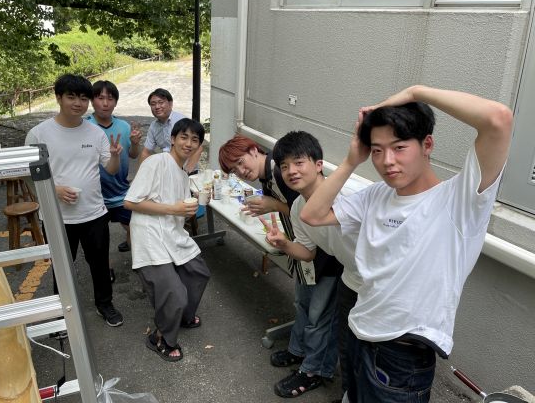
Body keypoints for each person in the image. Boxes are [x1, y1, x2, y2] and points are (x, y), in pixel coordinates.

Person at [299, 85, 513, 402]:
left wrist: (416, 92)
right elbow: (312, 215)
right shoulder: (376, 195)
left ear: (427, 144)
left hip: (401, 355)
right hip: (358, 329)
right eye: (376, 150)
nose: (387, 161)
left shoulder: (460, 200)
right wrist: (351, 161)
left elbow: (498, 119)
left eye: (399, 147)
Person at [218, 135, 339, 398]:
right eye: (234, 169)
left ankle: (315, 370)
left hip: (328, 258)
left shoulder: (279, 171)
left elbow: (307, 210)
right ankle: (299, 350)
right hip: (304, 248)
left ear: (254, 150)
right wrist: (284, 242)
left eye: (241, 162)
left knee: (320, 316)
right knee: (304, 305)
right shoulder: (271, 177)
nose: (241, 171)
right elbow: (298, 213)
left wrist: (272, 205)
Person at [261, 131, 365, 401]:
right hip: (352, 279)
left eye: (298, 162)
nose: (291, 171)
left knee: (367, 350)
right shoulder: (298, 207)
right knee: (348, 345)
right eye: (284, 166)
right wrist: (284, 244)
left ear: (318, 165)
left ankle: (321, 376)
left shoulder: (350, 192)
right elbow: (307, 253)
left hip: (380, 284)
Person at [25, 74, 124, 327]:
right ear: (58, 97)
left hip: (94, 213)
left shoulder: (95, 133)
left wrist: (114, 156)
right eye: (71, 97)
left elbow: (111, 169)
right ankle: (61, 311)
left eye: (83, 98)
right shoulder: (38, 134)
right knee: (62, 267)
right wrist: (54, 189)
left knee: (99, 264)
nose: (78, 103)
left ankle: (105, 304)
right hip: (56, 215)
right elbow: (28, 176)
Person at [124, 118, 211, 362]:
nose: (188, 143)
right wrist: (174, 209)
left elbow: (178, 207)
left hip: (171, 233)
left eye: (195, 140)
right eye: (184, 137)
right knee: (174, 293)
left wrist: (185, 211)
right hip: (149, 234)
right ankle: (161, 338)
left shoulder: (183, 174)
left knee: (198, 272)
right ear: (172, 139)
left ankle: (181, 316)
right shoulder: (156, 162)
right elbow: (130, 202)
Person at [87, 80, 142, 254]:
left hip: (121, 192)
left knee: (136, 228)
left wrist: (135, 143)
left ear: (116, 102)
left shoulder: (124, 127)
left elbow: (133, 155)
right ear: (92, 101)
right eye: (100, 98)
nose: (105, 103)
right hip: (95, 197)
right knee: (99, 242)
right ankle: (105, 267)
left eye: (110, 99)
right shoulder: (85, 127)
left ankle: (138, 259)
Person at [139, 88, 202, 173]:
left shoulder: (181, 121)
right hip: (167, 171)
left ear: (170, 104)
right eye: (153, 104)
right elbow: (145, 152)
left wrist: (186, 172)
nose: (157, 107)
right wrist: (141, 174)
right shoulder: (154, 126)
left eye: (161, 102)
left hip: (186, 171)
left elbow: (198, 147)